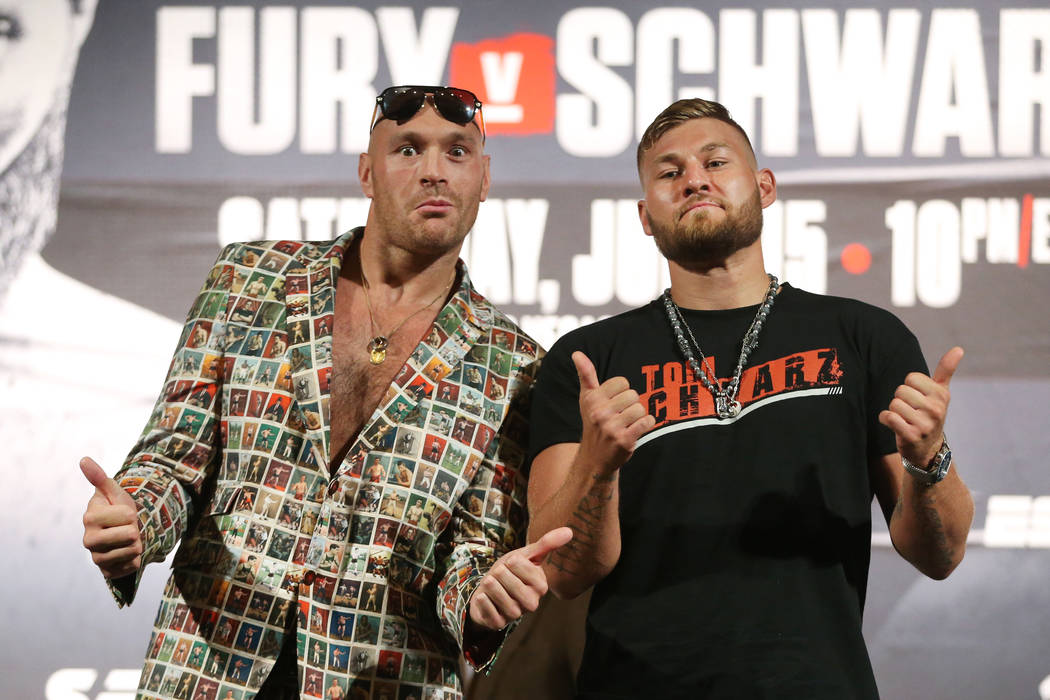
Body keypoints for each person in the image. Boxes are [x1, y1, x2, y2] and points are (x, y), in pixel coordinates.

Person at [81, 85, 571, 699]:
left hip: (382, 682)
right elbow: (172, 463)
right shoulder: (246, 279)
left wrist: (482, 597)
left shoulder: (518, 364)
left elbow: (472, 551)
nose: (434, 172)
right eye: (408, 149)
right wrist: (135, 523)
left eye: (457, 152)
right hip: (207, 669)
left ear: (484, 177)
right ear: (367, 171)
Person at [526, 98, 975, 699]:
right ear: (643, 215)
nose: (694, 180)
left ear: (763, 186)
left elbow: (938, 555)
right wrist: (596, 466)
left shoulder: (864, 337)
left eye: (716, 161)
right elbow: (562, 573)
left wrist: (928, 458)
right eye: (669, 172)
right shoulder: (588, 362)